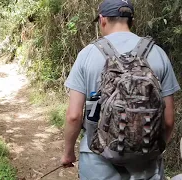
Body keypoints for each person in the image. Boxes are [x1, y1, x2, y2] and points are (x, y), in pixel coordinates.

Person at [60, 0, 181, 179]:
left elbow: (74, 116)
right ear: (131, 21)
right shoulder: (158, 53)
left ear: (102, 20)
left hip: (97, 163)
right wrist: (148, 150)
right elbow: (169, 120)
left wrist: (68, 153)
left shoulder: (87, 54)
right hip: (148, 167)